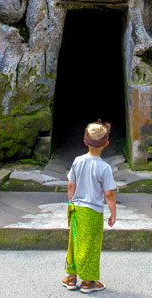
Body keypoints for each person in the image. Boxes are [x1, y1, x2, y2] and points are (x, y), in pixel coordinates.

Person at [62, 120, 117, 293]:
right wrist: (113, 213)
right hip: (93, 211)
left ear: (85, 141)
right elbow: (109, 194)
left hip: (77, 208)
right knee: (91, 245)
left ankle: (71, 278)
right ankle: (88, 282)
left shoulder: (78, 161)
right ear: (106, 144)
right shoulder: (105, 168)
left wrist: (71, 202)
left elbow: (71, 185)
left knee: (75, 242)